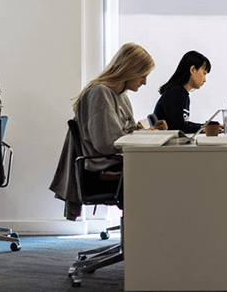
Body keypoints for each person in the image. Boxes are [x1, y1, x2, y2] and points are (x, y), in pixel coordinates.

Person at [51, 43, 165, 220]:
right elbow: (108, 144)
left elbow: (124, 132)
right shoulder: (100, 93)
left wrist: (149, 131)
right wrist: (143, 135)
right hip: (101, 170)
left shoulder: (121, 96)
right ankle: (143, 236)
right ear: (130, 70)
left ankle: (145, 235)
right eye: (143, 76)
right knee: (160, 173)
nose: (144, 82)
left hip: (111, 164)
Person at [153, 50, 212, 133]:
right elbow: (179, 127)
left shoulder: (183, 94)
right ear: (193, 70)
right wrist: (203, 127)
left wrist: (205, 126)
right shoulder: (176, 92)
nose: (205, 80)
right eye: (204, 73)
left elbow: (183, 124)